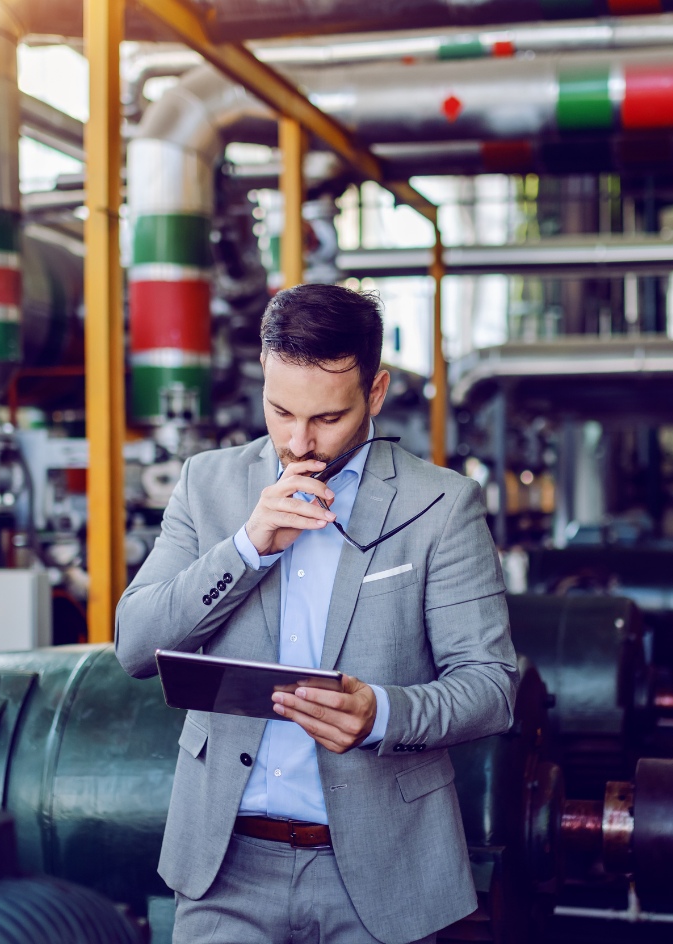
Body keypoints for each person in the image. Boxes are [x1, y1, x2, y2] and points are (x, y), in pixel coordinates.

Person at [114, 283, 517, 944]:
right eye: (279, 411)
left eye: (327, 418)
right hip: (225, 868)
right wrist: (247, 548)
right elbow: (134, 646)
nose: (298, 441)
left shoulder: (442, 506)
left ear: (376, 393)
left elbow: (491, 688)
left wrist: (382, 714)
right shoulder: (206, 483)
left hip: (381, 872)